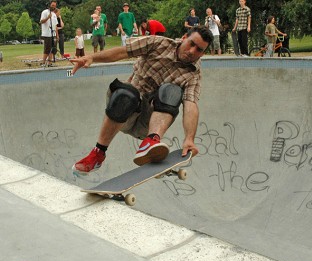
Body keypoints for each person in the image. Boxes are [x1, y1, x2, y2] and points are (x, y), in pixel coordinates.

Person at [70, 26, 214, 174]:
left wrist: (189, 138)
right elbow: (122, 52)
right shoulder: (157, 43)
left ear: (203, 53)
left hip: (148, 123)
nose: (192, 52)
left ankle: (150, 143)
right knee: (127, 92)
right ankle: (97, 154)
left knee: (172, 90)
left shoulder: (193, 74)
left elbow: (191, 105)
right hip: (125, 112)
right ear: (184, 38)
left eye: (199, 50)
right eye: (191, 44)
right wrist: (93, 58)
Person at [39, 1, 58, 66]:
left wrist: (57, 35)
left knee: (53, 49)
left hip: (53, 34)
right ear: (49, 5)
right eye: (52, 5)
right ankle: (43, 62)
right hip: (47, 34)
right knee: (47, 48)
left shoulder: (54, 14)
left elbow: (55, 25)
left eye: (55, 6)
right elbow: (41, 21)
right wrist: (48, 17)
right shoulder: (45, 12)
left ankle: (50, 62)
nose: (54, 7)